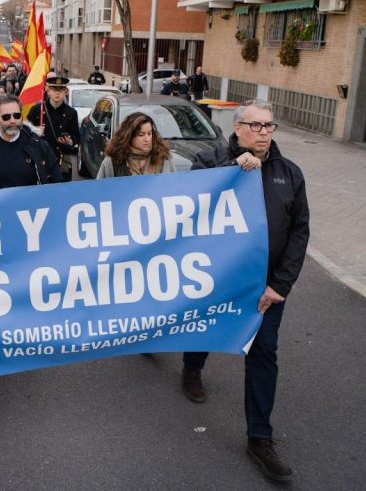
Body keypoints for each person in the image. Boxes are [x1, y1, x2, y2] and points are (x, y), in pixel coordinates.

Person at [180, 100, 309, 483]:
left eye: (270, 126)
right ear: (237, 128)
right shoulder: (210, 160)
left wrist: (280, 285)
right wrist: (233, 168)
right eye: (256, 126)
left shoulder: (289, 173)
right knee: (208, 328)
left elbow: (299, 232)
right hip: (218, 278)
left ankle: (260, 438)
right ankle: (192, 367)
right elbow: (189, 199)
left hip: (265, 288)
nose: (264, 132)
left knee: (263, 353)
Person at [25, 74, 80, 182]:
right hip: (40, 158)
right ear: (48, 91)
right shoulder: (37, 110)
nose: (57, 93)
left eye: (61, 89)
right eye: (54, 89)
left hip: (61, 159)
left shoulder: (71, 113)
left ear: (65, 92)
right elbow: (25, 133)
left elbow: (76, 136)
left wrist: (69, 142)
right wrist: (36, 132)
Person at [94, 112, 174, 178]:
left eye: (149, 134)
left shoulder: (163, 157)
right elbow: (100, 190)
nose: (147, 139)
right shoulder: (112, 161)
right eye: (141, 135)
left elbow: (174, 188)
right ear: (129, 136)